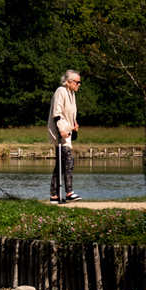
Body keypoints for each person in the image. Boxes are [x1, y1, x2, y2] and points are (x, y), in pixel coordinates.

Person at [48, 70, 81, 202]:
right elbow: (57, 113)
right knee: (69, 160)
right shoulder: (61, 91)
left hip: (67, 133)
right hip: (60, 133)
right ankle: (69, 192)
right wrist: (61, 130)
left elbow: (70, 114)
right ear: (69, 82)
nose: (79, 85)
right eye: (77, 82)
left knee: (60, 164)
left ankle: (54, 195)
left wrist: (74, 125)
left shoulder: (71, 94)